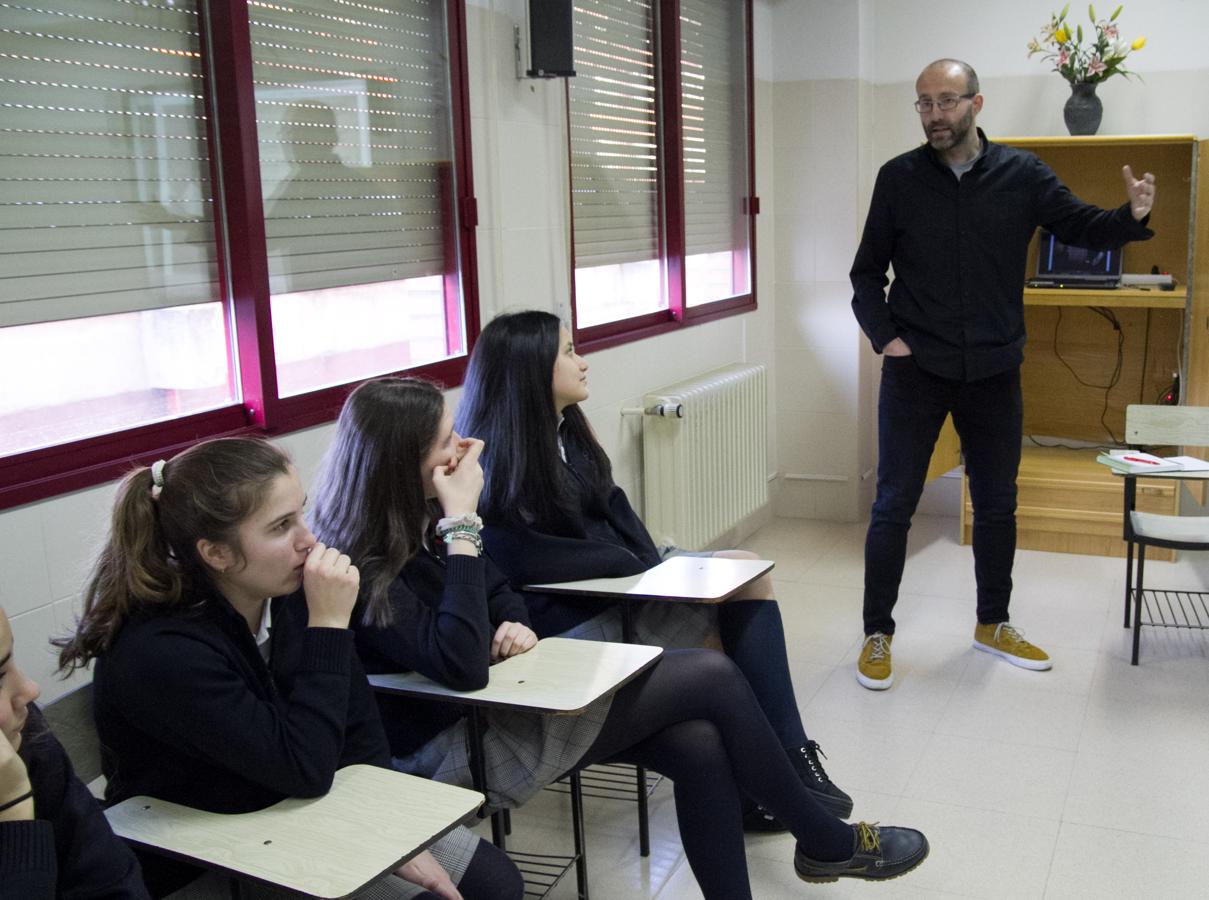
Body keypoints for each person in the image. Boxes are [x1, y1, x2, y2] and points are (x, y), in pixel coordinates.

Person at [307, 376, 930, 900]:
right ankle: (827, 841)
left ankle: (817, 846)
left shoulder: (421, 520)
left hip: (506, 707)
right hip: (450, 748)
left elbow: (502, 593)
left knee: (698, 741)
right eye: (448, 441)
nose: (467, 447)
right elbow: (462, 665)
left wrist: (510, 619)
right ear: (401, 463)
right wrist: (464, 525)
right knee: (710, 677)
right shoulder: (359, 564)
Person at [54, 437, 522, 900]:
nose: (309, 539)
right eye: (281, 526)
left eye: (302, 512)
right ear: (215, 553)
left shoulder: (286, 592)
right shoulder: (161, 651)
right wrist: (330, 627)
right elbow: (304, 766)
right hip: (217, 847)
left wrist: (387, 823)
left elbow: (359, 727)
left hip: (300, 807)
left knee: (494, 881)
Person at [453, 309, 851, 830]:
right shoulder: (497, 462)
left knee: (748, 571)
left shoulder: (567, 431)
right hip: (579, 609)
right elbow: (529, 557)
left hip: (626, 579)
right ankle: (778, 771)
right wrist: (640, 569)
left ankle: (779, 767)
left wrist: (656, 564)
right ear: (531, 369)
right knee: (727, 615)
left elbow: (616, 512)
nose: (584, 362)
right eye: (569, 352)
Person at [850, 58, 1157, 690]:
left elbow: (1080, 224)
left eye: (947, 101)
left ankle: (993, 623)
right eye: (924, 103)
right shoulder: (898, 179)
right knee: (893, 505)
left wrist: (1128, 218)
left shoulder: (1022, 174)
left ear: (976, 104)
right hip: (918, 369)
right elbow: (864, 276)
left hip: (993, 368)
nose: (935, 114)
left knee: (996, 505)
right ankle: (877, 633)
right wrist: (889, 340)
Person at [0, 606, 149, 900]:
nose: (30, 690)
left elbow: (113, 884)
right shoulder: (159, 644)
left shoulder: (27, 738)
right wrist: (14, 806)